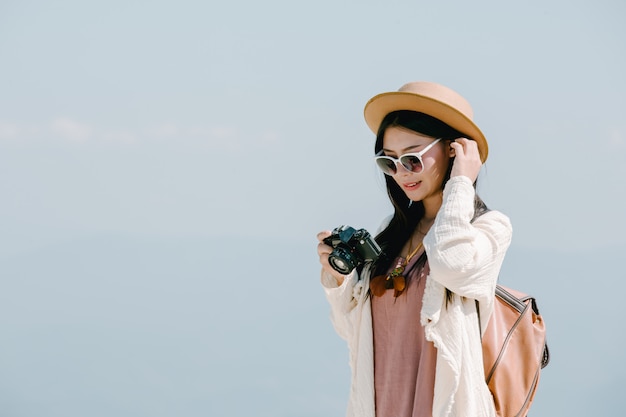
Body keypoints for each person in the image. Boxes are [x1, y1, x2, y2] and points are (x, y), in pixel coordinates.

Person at [316, 81, 512, 417]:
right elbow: (354, 333)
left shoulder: (489, 229)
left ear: (454, 150)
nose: (401, 173)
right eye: (388, 162)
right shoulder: (390, 235)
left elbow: (452, 263)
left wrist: (461, 182)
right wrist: (337, 280)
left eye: (413, 158)